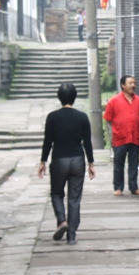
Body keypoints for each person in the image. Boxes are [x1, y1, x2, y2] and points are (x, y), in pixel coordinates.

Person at [38, 83, 96, 244]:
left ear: (59, 97)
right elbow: (87, 143)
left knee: (56, 193)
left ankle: (62, 220)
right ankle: (71, 236)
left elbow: (48, 142)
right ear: (75, 97)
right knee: (74, 198)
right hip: (77, 160)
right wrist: (91, 163)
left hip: (59, 160)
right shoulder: (82, 117)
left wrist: (43, 161)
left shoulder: (52, 117)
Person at [103, 75, 139, 196]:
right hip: (120, 137)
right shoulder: (114, 101)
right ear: (123, 85)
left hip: (135, 137)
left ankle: (134, 187)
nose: (133, 85)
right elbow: (108, 118)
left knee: (134, 163)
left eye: (134, 83)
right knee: (119, 164)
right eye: (130, 83)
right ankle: (118, 187)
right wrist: (118, 126)